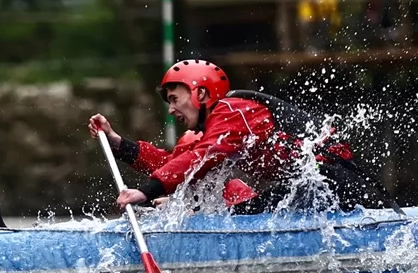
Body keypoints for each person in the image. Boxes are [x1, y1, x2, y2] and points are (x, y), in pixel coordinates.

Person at [90, 59, 394, 215]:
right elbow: (178, 163)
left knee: (241, 214)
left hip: (334, 183)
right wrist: (119, 143)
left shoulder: (234, 111)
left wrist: (146, 192)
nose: (171, 110)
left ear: (201, 93)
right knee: (239, 209)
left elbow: (200, 157)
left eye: (174, 99)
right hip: (306, 186)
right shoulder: (216, 130)